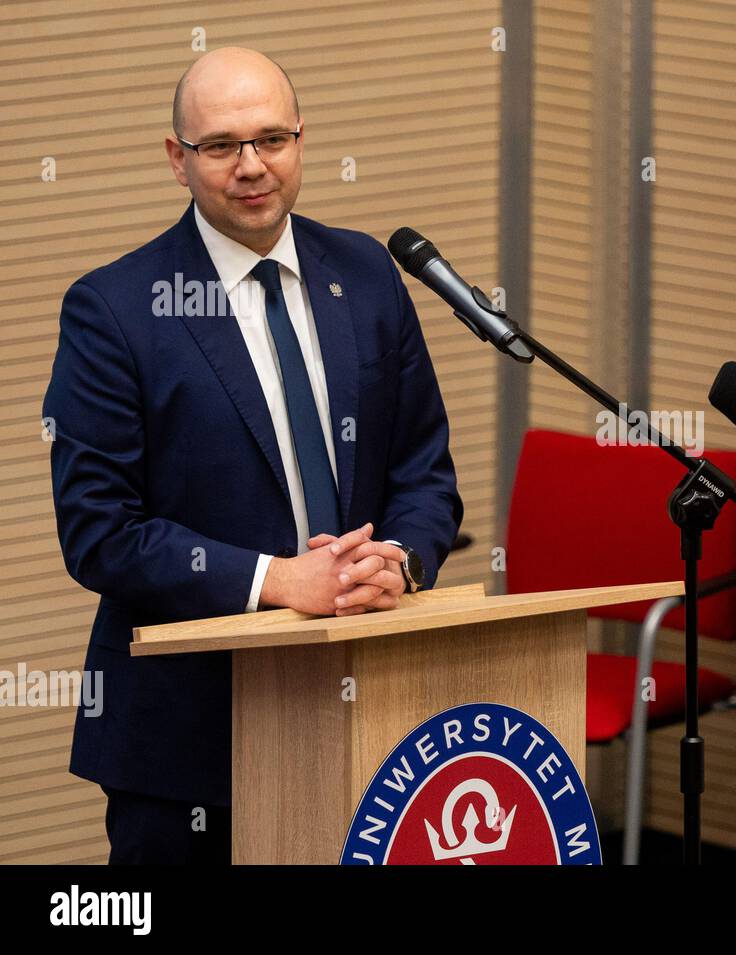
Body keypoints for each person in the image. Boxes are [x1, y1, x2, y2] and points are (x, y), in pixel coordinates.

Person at [42, 47, 464, 864]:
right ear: (178, 159)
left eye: (273, 138)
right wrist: (278, 581)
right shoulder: (117, 309)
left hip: (368, 717)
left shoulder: (369, 273)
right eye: (222, 145)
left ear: (302, 139)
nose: (252, 166)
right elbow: (100, 532)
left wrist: (400, 561)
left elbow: (425, 471)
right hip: (191, 743)